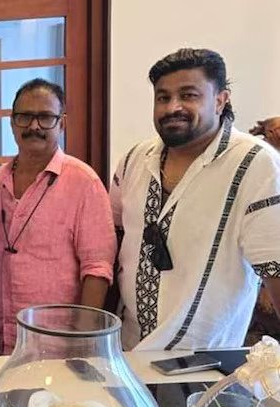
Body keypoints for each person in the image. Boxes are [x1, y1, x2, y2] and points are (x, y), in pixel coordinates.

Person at [110, 48, 280, 350]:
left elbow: (275, 269)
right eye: (163, 97)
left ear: (220, 100)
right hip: (126, 356)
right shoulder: (134, 159)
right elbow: (112, 239)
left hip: (204, 363)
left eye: (188, 95)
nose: (172, 107)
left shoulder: (256, 164)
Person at [0, 79, 116, 355]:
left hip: (58, 345)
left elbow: (97, 270)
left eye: (45, 117)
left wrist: (81, 344)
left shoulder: (84, 182)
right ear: (12, 123)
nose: (34, 126)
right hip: (2, 340)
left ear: (62, 123)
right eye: (25, 117)